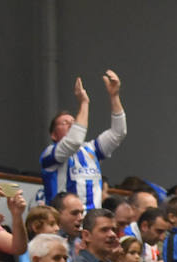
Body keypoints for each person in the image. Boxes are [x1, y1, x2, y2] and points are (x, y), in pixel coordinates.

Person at [41, 71, 127, 209]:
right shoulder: (50, 154)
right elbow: (73, 141)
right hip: (62, 223)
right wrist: (84, 103)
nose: (71, 124)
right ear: (53, 135)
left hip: (92, 223)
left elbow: (118, 133)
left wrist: (114, 96)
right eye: (64, 122)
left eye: (73, 121)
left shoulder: (92, 149)